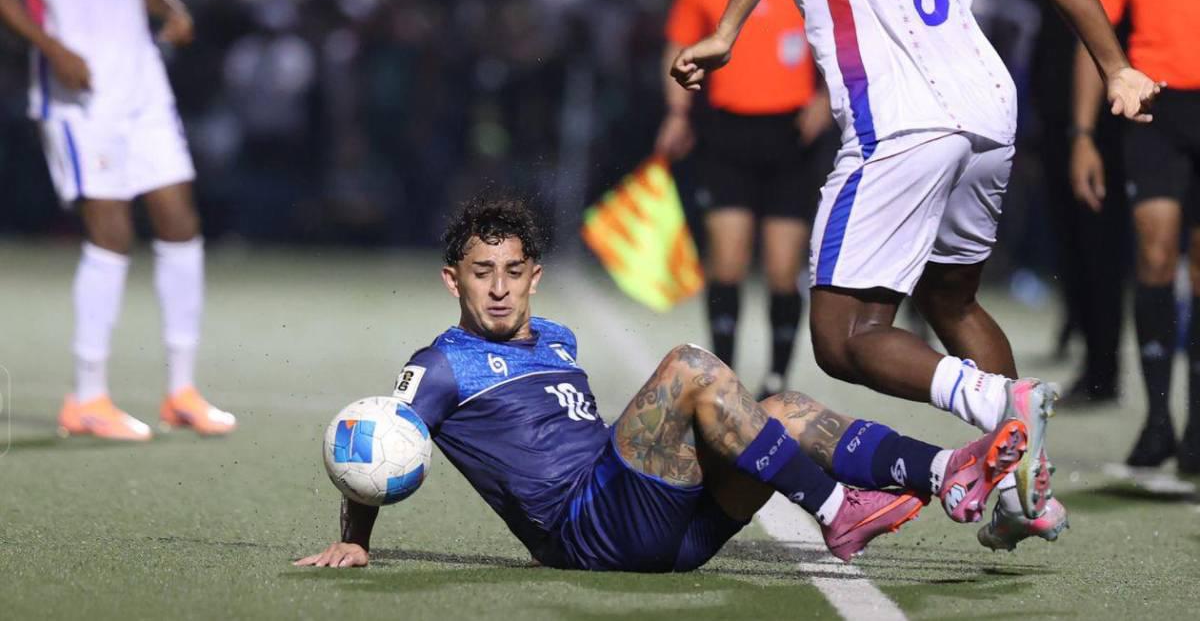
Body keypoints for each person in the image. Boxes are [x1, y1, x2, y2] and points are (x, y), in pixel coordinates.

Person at [671, 0, 1159, 549]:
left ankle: (999, 405)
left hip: (899, 125)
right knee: (952, 300)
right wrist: (1118, 67)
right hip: (990, 117)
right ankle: (1025, 487)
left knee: (842, 338)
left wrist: (728, 28)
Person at [296, 197, 1031, 571]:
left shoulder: (557, 338)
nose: (498, 289)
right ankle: (839, 510)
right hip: (587, 533)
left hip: (664, 532)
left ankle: (945, 470)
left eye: (512, 271)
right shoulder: (443, 362)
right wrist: (356, 540)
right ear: (452, 280)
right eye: (481, 274)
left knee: (784, 409)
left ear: (533, 276)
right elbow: (377, 433)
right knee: (690, 366)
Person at [0, 0, 234, 440]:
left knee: (180, 219)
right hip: (77, 92)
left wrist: (170, 8)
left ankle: (181, 388)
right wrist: (52, 49)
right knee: (111, 231)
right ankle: (87, 395)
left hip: (142, 80)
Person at [655, 0, 833, 397]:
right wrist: (678, 113)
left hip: (793, 138)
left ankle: (777, 377)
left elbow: (842, 41)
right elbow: (678, 44)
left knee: (782, 268)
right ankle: (723, 377)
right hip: (727, 134)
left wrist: (824, 97)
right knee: (726, 259)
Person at [1070, 0, 1200, 471]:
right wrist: (1083, 134)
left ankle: (1199, 429)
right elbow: (1098, 40)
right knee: (1154, 255)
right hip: (1155, 107)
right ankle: (1156, 420)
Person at [1031, 0, 1127, 404]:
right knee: (1070, 250)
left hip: (1104, 143)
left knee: (1101, 254)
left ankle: (1104, 372)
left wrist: (1086, 134)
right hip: (1055, 137)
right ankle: (1089, 354)